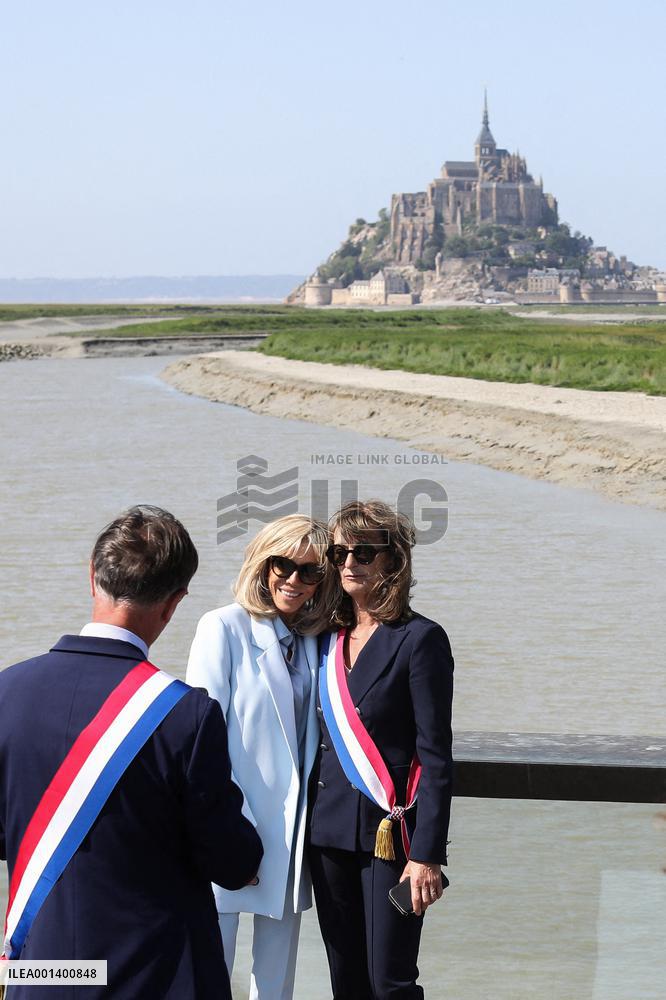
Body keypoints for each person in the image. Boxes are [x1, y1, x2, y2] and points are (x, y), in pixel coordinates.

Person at [0, 505, 263, 1000]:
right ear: (174, 603)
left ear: (92, 575)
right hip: (155, 976)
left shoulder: (7, 693)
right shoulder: (187, 714)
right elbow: (229, 860)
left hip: (43, 972)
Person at [308, 499, 454, 1000]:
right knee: (346, 982)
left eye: (364, 552)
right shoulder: (323, 638)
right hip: (326, 834)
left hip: (392, 839)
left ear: (393, 560)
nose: (349, 563)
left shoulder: (420, 639)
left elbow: (435, 757)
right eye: (339, 553)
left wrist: (428, 855)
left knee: (390, 983)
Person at [186, 514, 336, 1000]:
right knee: (209, 974)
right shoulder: (222, 627)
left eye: (309, 571)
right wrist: (227, 833)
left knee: (275, 984)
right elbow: (199, 742)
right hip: (232, 828)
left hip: (292, 835)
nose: (294, 579)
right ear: (261, 564)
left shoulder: (316, 639)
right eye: (282, 565)